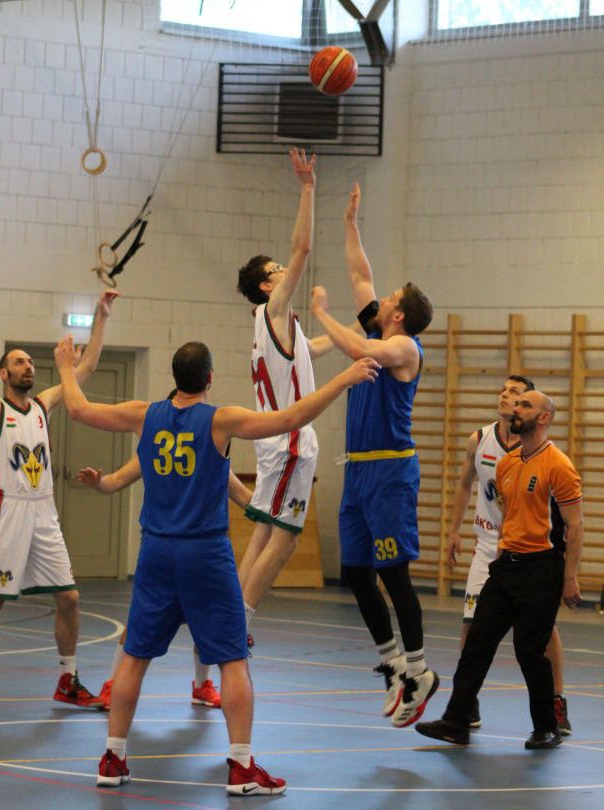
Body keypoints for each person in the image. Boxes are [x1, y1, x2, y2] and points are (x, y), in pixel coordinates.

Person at [54, 336, 378, 793]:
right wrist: (343, 378)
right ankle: (242, 767)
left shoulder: (145, 415)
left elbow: (78, 409)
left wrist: (66, 368)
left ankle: (113, 758)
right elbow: (291, 418)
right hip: (204, 553)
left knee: (134, 657)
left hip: (156, 552)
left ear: (174, 377)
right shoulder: (220, 420)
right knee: (232, 659)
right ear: (209, 378)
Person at [309, 182, 436, 728]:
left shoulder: (403, 347)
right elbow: (361, 275)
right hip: (358, 471)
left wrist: (321, 315)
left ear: (399, 315)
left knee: (394, 573)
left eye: (390, 299)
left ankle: (420, 671)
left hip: (390, 470)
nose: (380, 298)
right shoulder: (378, 325)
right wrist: (350, 223)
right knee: (356, 573)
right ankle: (392, 664)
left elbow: (361, 348)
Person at [0, 279, 118, 710]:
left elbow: (86, 368)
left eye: (30, 361)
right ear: (4, 374)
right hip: (10, 511)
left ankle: (68, 679)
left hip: (44, 512)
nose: (28, 366)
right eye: (19, 362)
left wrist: (102, 319)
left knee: (69, 597)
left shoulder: (44, 405)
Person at [416, 390, 583, 750]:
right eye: (516, 404)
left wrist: (569, 577)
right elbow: (509, 516)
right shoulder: (507, 464)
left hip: (542, 569)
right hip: (506, 566)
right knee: (477, 642)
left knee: (529, 650)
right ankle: (456, 722)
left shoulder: (559, 465)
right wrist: (501, 554)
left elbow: (575, 525)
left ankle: (546, 727)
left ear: (544, 418)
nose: (515, 409)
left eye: (525, 405)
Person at [236, 148, 347, 645]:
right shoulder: (274, 310)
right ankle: (239, 623)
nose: (287, 269)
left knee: (264, 531)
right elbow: (302, 248)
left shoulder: (275, 326)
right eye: (277, 268)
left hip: (275, 441)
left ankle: (231, 617)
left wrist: (354, 332)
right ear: (267, 285)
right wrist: (308, 188)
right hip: (290, 439)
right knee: (285, 540)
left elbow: (314, 348)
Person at [77, 451, 253, 711]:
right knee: (139, 623)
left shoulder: (211, 449)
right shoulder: (156, 443)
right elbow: (115, 480)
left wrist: (278, 508)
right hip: (162, 552)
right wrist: (99, 483)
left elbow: (245, 498)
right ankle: (113, 686)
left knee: (205, 621)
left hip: (202, 553)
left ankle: (202, 686)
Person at [446, 375, 571, 733]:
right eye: (504, 391)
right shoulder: (481, 440)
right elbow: (465, 484)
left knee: (539, 635)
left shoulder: (542, 453)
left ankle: (556, 703)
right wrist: (454, 531)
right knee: (473, 627)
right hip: (490, 545)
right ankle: (464, 705)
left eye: (516, 394)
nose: (507, 398)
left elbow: (570, 520)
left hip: (532, 554)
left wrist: (568, 572)